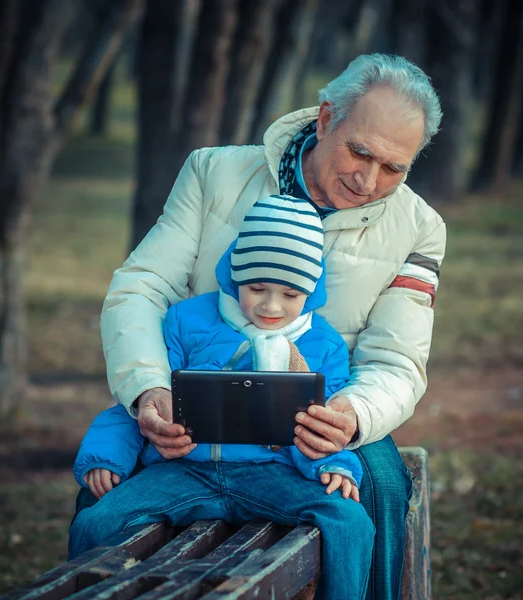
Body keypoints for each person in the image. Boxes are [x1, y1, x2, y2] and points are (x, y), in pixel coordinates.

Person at [93, 53, 446, 600]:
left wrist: (351, 416)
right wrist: (148, 385)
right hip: (196, 402)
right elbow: (142, 287)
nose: (369, 179)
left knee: (376, 481)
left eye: (394, 168)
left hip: (322, 413)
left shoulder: (419, 229)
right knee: (102, 492)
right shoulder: (215, 173)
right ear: (327, 119)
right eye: (360, 151)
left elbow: (396, 360)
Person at [69, 195, 374, 600]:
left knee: (350, 522)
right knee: (95, 523)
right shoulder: (187, 320)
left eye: (290, 294)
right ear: (235, 275)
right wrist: (107, 456)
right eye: (257, 287)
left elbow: (323, 424)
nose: (270, 306)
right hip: (181, 470)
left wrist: (335, 463)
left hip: (273, 472)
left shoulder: (325, 345)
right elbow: (145, 401)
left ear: (311, 290)